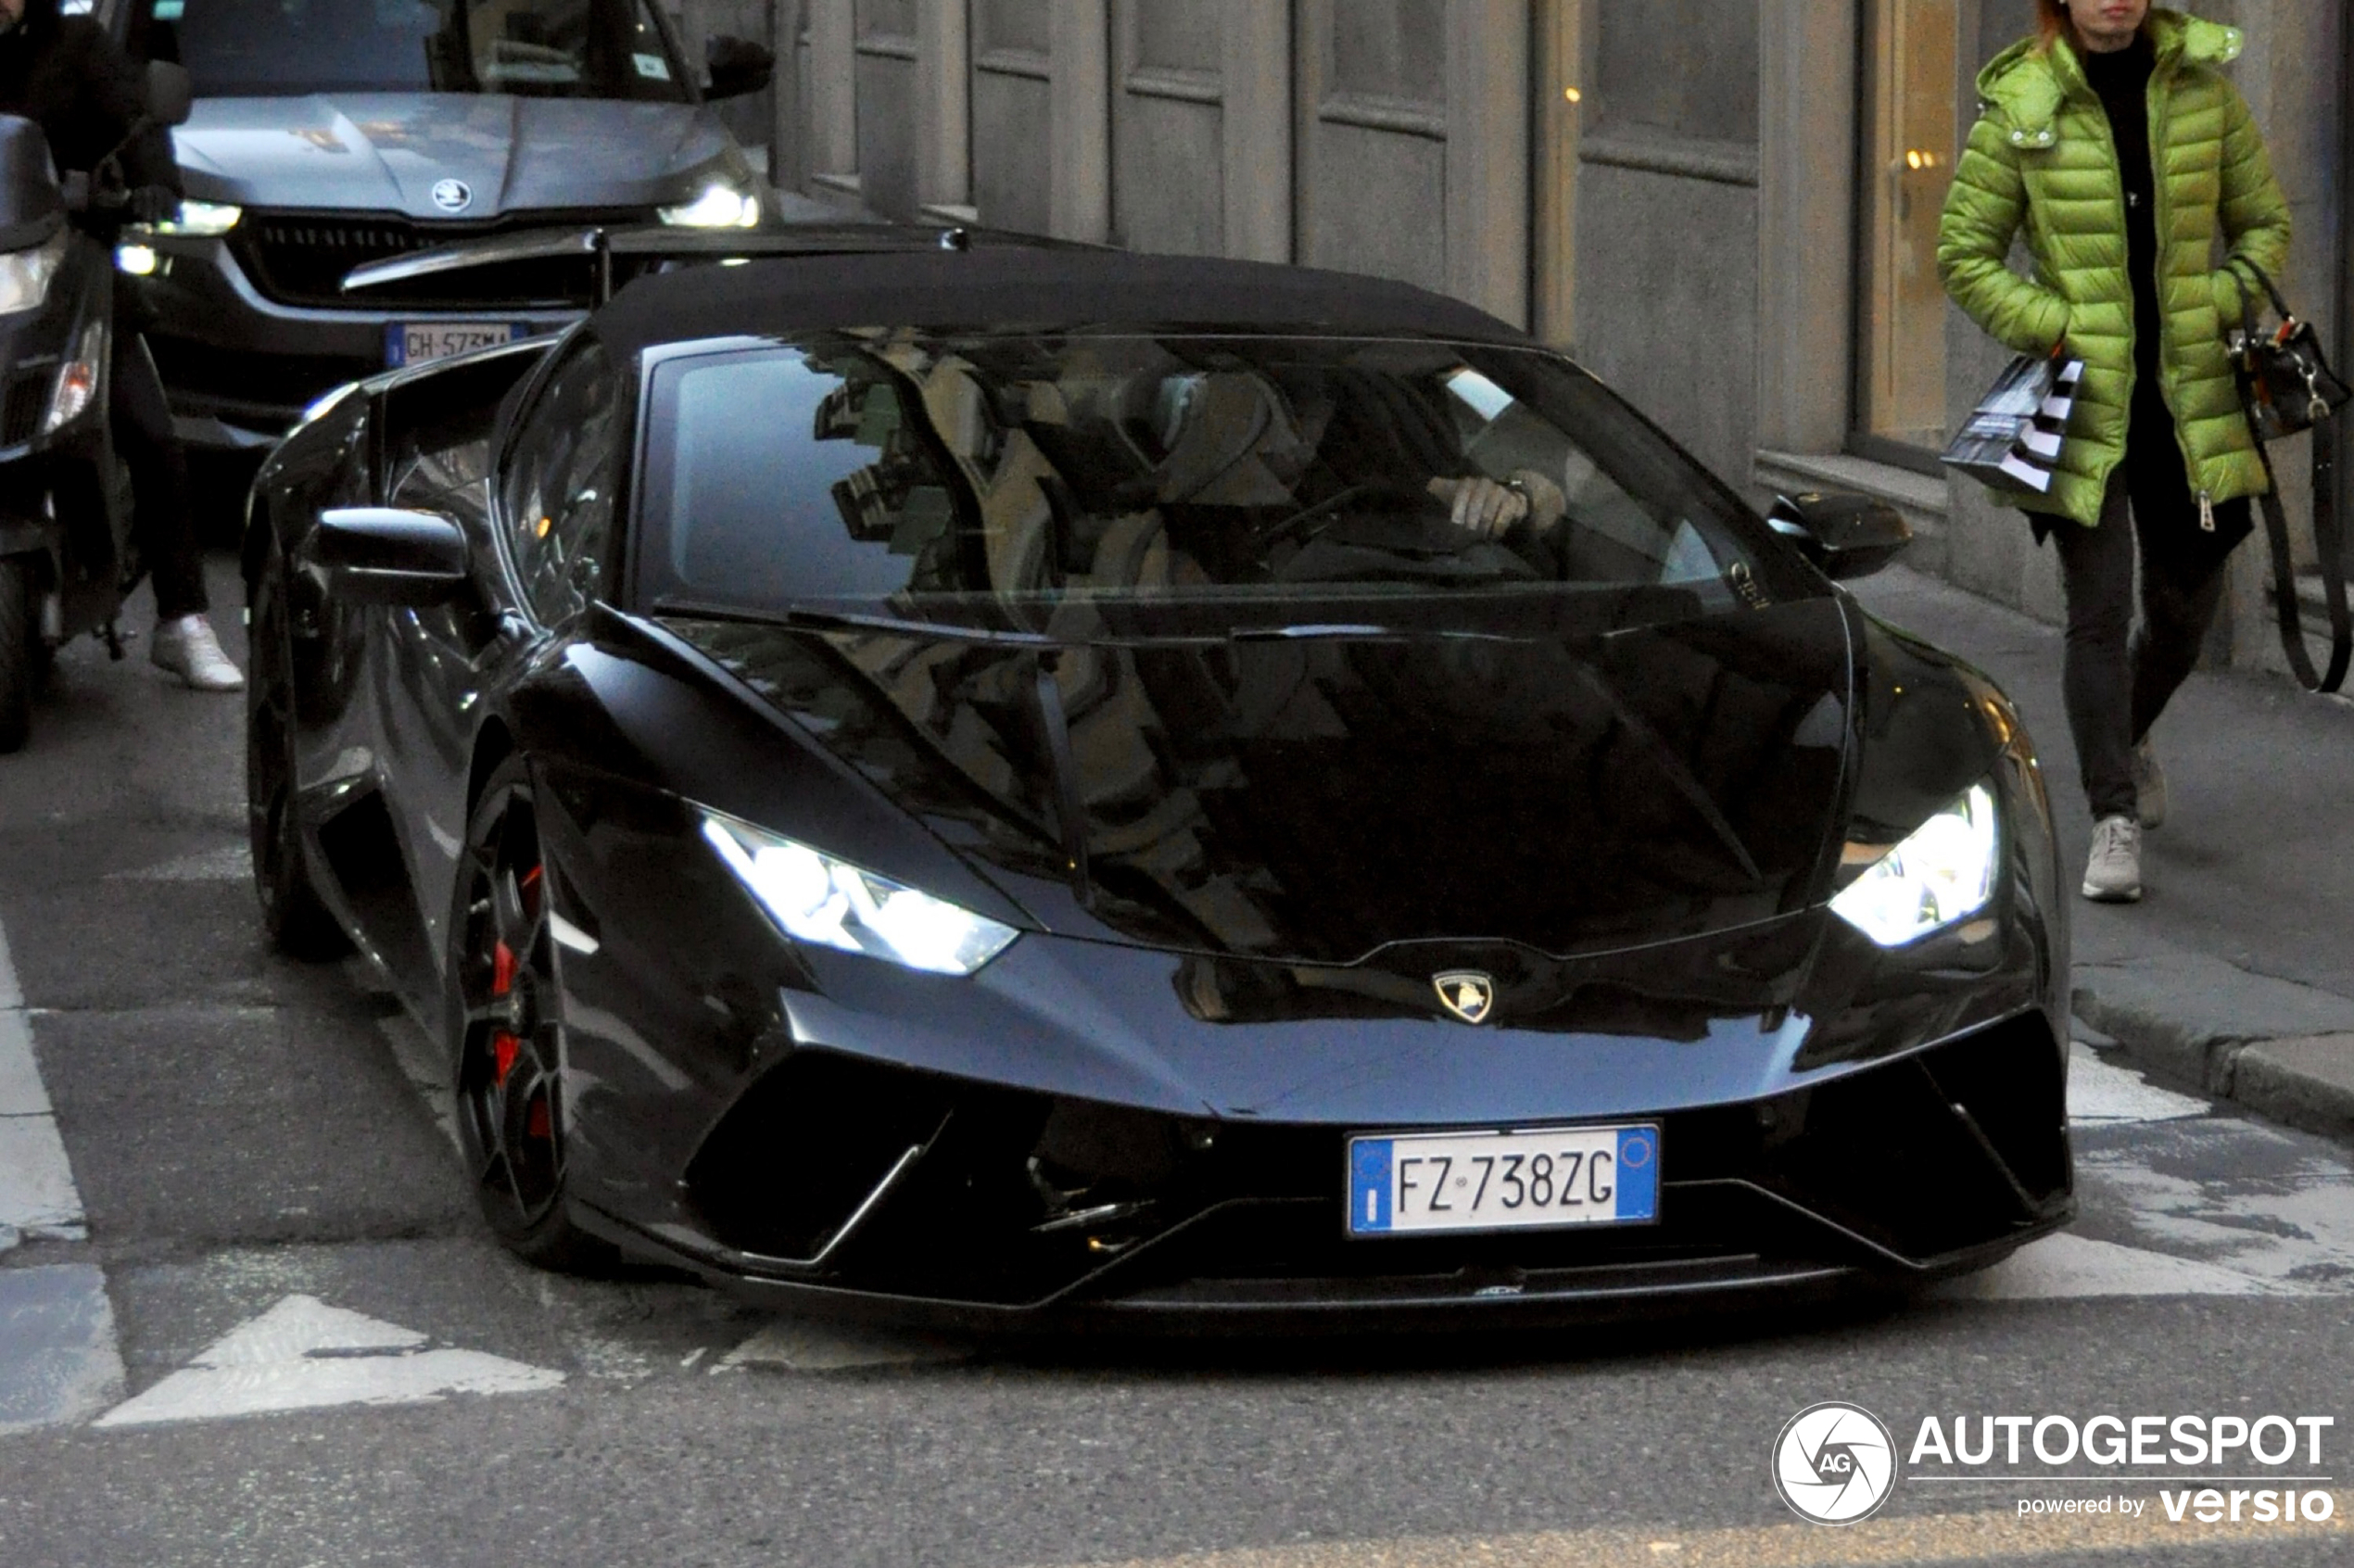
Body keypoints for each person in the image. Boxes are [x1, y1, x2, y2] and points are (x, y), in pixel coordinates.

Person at [1938, 0, 2287, 903]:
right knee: (2093, 611)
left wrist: (2217, 298)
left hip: (2185, 395)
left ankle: (2124, 736)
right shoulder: (2023, 99)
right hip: (2080, 398)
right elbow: (1962, 253)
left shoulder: (2201, 93)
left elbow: (2263, 227)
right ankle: (2110, 816)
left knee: (2184, 605)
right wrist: (2056, 323)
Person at [0, 0, 242, 690]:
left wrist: (154, 182)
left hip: (71, 275)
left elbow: (133, 115)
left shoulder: (77, 45)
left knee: (152, 433)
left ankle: (184, 619)